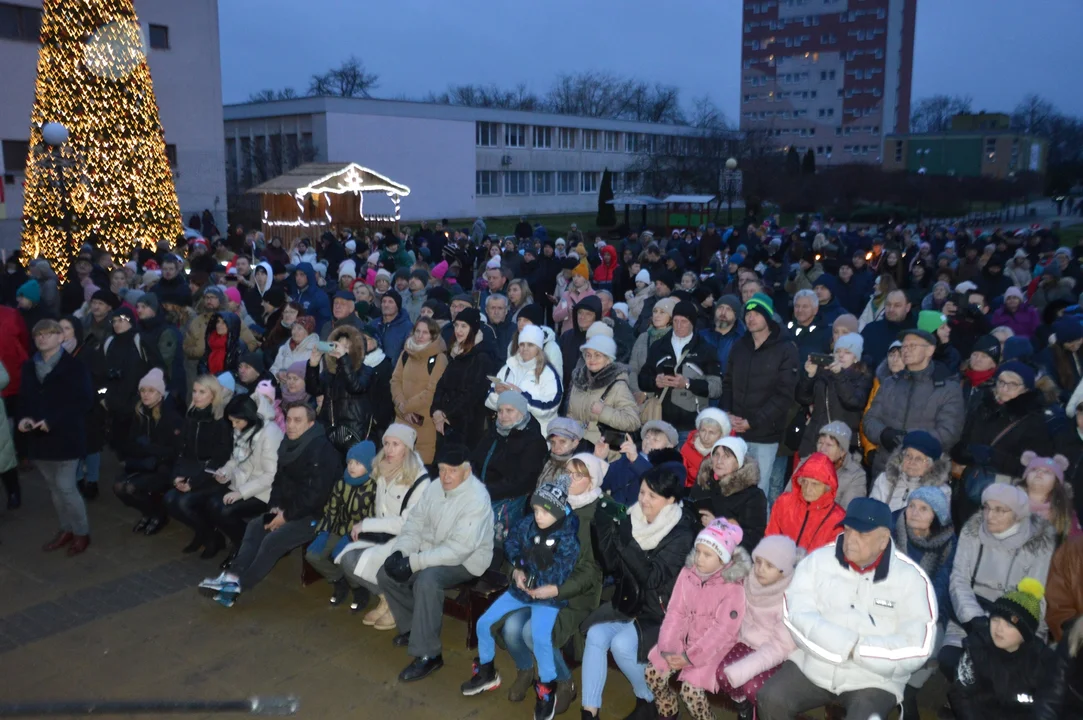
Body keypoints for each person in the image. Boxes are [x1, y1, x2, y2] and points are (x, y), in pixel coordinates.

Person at [757, 497, 937, 720]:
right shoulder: (817, 562)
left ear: (883, 540)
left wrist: (859, 651)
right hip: (813, 666)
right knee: (770, 698)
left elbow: (917, 646)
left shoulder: (911, 579)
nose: (851, 539)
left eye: (862, 534)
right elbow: (794, 615)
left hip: (875, 679)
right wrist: (843, 645)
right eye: (848, 530)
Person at [580, 465, 696, 719]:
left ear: (670, 501)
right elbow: (610, 564)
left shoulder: (682, 533)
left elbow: (652, 577)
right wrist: (602, 527)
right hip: (631, 601)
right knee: (596, 634)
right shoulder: (633, 517)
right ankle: (589, 711)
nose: (643, 500)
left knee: (622, 645)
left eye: (652, 496)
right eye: (642, 492)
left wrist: (627, 540)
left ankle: (654, 697)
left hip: (662, 612)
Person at [198, 403, 342, 607]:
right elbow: (279, 481)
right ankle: (231, 577)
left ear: (311, 424)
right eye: (289, 419)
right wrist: (274, 507)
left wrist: (286, 516)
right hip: (292, 509)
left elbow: (316, 496)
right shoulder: (288, 444)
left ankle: (239, 586)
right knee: (256, 526)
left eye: (298, 420)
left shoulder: (322, 451)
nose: (291, 425)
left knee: (272, 541)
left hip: (319, 515)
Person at [461, 478, 581, 720]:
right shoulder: (527, 524)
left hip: (546, 597)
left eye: (545, 511)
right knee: (484, 623)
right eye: (536, 509)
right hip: (521, 589)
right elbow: (511, 542)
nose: (539, 516)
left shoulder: (567, 537)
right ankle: (487, 671)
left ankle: (547, 690)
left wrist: (539, 576)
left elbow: (562, 570)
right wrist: (517, 567)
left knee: (539, 637)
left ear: (557, 512)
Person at [377, 443, 495, 682]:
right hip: (433, 550)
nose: (445, 476)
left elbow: (458, 551)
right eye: (442, 469)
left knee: (427, 580)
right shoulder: (434, 487)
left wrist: (414, 562)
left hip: (468, 560)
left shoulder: (477, 498)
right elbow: (414, 523)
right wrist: (401, 552)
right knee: (386, 573)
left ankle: (428, 655)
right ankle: (413, 629)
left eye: (452, 470)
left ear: (467, 471)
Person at [941, 484, 1056, 678]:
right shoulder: (972, 531)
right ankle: (964, 701)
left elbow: (1034, 595)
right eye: (986, 507)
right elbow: (959, 578)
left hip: (1014, 618)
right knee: (950, 659)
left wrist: (1004, 625)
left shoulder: (1038, 543)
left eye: (999, 510)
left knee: (1004, 670)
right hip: (971, 610)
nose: (989, 515)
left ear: (1018, 515)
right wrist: (975, 619)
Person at [645, 518, 750, 720]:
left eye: (707, 555)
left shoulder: (733, 587)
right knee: (653, 673)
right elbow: (675, 611)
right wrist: (668, 647)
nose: (699, 559)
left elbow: (723, 632)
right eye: (698, 551)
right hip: (681, 640)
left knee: (691, 692)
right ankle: (668, 709)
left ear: (723, 558)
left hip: (711, 650)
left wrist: (689, 657)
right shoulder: (688, 574)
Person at [334, 426, 431, 623]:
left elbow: (408, 524)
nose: (389, 449)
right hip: (387, 536)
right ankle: (385, 598)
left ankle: (397, 605)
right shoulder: (383, 470)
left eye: (396, 444)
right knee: (346, 558)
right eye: (387, 443)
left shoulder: (420, 480)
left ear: (408, 449)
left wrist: (366, 525)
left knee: (365, 561)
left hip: (413, 541)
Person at [18, 319, 94, 555]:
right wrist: (23, 418)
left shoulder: (74, 366)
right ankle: (66, 529)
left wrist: (53, 421)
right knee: (54, 488)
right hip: (39, 440)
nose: (42, 338)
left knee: (66, 487)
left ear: (61, 338)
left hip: (66, 437)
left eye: (49, 334)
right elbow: (24, 399)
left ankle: (81, 532)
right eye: (38, 334)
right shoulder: (29, 366)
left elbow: (83, 401)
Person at [722, 293, 799, 500]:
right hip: (735, 431)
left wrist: (752, 422)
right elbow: (727, 382)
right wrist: (727, 413)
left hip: (765, 434)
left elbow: (784, 396)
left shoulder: (785, 349)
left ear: (768, 317)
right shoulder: (740, 346)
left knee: (757, 491)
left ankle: (757, 533)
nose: (751, 317)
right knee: (731, 487)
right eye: (748, 313)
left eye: (757, 313)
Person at [715, 535, 800, 720]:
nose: (760, 569)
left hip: (776, 653)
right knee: (722, 674)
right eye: (759, 562)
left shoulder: (791, 599)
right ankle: (743, 706)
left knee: (753, 688)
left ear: (784, 570)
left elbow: (780, 647)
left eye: (769, 566)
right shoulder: (750, 580)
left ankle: (758, 713)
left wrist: (742, 669)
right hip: (746, 640)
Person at [862, 327, 965, 477]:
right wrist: (884, 434)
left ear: (930, 350)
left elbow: (949, 433)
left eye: (913, 346)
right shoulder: (890, 383)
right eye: (904, 346)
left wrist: (910, 442)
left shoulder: (948, 388)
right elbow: (870, 420)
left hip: (923, 473)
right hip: (885, 470)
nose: (906, 350)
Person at [892, 486, 958, 718]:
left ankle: (907, 692)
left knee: (930, 639)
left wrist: (918, 611)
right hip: (889, 604)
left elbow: (943, 586)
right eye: (911, 506)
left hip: (930, 611)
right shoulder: (892, 529)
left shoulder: (949, 543)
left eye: (923, 509)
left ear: (936, 516)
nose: (914, 512)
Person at [948, 579, 1056, 720]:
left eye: (1009, 625)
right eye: (995, 619)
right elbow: (961, 695)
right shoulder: (976, 647)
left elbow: (1049, 706)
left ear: (1026, 634)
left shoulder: (1042, 661)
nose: (999, 629)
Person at [205, 393, 284, 567]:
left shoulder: (270, 433)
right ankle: (241, 542)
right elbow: (235, 459)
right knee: (211, 503)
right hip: (243, 481)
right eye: (232, 421)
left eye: (236, 422)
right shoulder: (243, 427)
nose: (234, 426)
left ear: (249, 416)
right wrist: (224, 471)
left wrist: (240, 493)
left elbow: (271, 475)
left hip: (265, 491)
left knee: (224, 510)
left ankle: (244, 547)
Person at [163, 375, 234, 554]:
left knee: (184, 503)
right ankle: (204, 533)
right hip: (191, 472)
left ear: (213, 395)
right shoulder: (191, 417)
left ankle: (212, 537)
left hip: (211, 477)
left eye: (202, 392)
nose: (196, 395)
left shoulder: (221, 422)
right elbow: (182, 451)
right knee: (170, 500)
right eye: (194, 391)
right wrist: (177, 476)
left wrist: (193, 483)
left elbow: (220, 459)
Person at [305, 439, 378, 607]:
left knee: (345, 557)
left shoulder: (373, 488)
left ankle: (358, 588)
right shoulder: (341, 483)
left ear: (368, 465)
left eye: (358, 463)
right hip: (338, 529)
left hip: (359, 535)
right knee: (313, 555)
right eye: (350, 462)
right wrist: (324, 532)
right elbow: (331, 509)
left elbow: (372, 519)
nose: (352, 466)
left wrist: (352, 537)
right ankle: (338, 580)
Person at [471, 390, 548, 544]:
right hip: (481, 496)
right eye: (500, 411)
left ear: (521, 411)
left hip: (507, 504)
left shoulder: (533, 441)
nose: (503, 415)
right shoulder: (494, 432)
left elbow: (523, 481)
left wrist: (484, 490)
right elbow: (475, 461)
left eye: (509, 410)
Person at [111, 368, 184, 532]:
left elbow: (174, 451)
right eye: (143, 390)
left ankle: (158, 514)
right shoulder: (138, 414)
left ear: (160, 393)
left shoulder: (171, 417)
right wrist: (147, 449)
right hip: (141, 464)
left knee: (132, 488)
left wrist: (147, 447)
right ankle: (148, 512)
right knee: (119, 487)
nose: (145, 394)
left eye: (151, 391)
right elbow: (128, 444)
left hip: (164, 468)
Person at [952, 361, 1054, 477]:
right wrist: (963, 453)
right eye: (1001, 382)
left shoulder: (1034, 421)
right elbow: (963, 439)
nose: (1005, 388)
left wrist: (991, 456)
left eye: (1013, 384)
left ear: (1026, 389)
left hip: (1003, 487)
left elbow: (1032, 467)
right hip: (970, 480)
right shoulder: (983, 406)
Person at [305, 325, 391, 452]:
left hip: (355, 433)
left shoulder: (366, 370)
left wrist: (343, 358)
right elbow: (313, 389)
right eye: (337, 345)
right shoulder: (330, 372)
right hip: (330, 432)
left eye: (346, 347)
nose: (340, 350)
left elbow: (355, 387)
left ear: (355, 349)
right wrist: (313, 364)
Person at [795, 332, 871, 457]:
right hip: (816, 440)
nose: (841, 355)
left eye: (847, 352)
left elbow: (853, 402)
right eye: (838, 351)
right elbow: (803, 398)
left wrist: (839, 375)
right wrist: (810, 376)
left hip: (843, 443)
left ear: (856, 358)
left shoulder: (862, 377)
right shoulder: (824, 373)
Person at [430, 307, 494, 451]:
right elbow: (442, 385)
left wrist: (446, 414)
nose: (458, 330)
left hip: (467, 427)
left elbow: (473, 394)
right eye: (456, 325)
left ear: (473, 329)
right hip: (447, 424)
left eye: (464, 326)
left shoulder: (481, 357)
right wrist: (436, 410)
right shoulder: (456, 352)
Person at [688, 437, 767, 553]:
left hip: (729, 557)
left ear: (739, 462)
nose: (719, 461)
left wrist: (717, 526)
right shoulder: (704, 483)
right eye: (716, 455)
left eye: (727, 456)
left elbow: (752, 540)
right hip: (696, 547)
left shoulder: (753, 496)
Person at [565, 335, 640, 450]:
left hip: (603, 451)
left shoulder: (618, 385)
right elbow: (570, 414)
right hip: (578, 446)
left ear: (608, 359)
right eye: (588, 355)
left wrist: (604, 412)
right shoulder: (578, 381)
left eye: (597, 355)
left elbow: (633, 421)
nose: (592, 359)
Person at [390, 317, 448, 464]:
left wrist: (406, 407)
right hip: (401, 419)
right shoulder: (405, 354)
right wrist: (401, 405)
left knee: (419, 471)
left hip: (425, 424)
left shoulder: (439, 358)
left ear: (433, 335)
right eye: (418, 331)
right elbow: (395, 380)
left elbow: (432, 391)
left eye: (425, 332)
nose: (420, 336)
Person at [485, 325, 562, 435]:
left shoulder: (548, 373)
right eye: (522, 344)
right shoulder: (509, 367)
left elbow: (549, 408)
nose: (525, 348)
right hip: (506, 433)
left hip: (537, 435)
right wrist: (498, 393)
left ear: (538, 347)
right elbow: (489, 399)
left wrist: (519, 395)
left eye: (530, 345)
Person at [764, 452, 846, 552]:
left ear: (827, 487)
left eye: (815, 484)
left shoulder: (838, 518)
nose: (808, 489)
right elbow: (771, 538)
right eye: (805, 482)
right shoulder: (784, 502)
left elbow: (829, 557)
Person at [95, 306, 150, 452]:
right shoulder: (108, 343)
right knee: (117, 443)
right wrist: (102, 397)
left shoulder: (141, 341)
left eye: (121, 320)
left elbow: (155, 370)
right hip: (113, 405)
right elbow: (98, 375)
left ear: (131, 321)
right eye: (114, 321)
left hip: (138, 403)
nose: (117, 324)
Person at [869, 429, 951, 512]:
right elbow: (871, 513)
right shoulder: (884, 480)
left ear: (930, 466)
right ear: (901, 458)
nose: (912, 462)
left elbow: (939, 523)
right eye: (908, 456)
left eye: (919, 459)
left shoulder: (940, 492)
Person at [1016, 451, 1078, 546]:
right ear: (1025, 477)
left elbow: (1076, 544)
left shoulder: (1064, 512)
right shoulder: (1008, 500)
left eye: (1047, 472)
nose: (1039, 473)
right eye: (1034, 469)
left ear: (1056, 482)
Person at [678, 408, 731, 487]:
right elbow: (681, 478)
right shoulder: (687, 448)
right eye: (703, 430)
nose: (706, 437)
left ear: (721, 435)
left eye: (711, 432)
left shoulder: (727, 453)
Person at [269, 315, 319, 380]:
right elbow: (273, 369)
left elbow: (316, 375)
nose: (295, 332)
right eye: (294, 328)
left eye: (299, 328)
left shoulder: (315, 350)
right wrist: (278, 374)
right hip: (282, 387)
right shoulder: (284, 348)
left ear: (308, 332)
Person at [291, 262, 331, 330]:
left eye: (302, 275)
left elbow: (325, 322)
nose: (298, 278)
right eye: (296, 275)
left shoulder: (320, 296)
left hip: (313, 336)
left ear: (309, 276)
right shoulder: (296, 294)